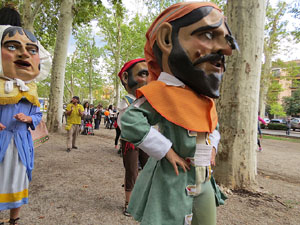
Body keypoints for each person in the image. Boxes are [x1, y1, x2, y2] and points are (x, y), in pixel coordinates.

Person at [120, 2, 238, 224]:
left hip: (204, 179)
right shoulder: (159, 93)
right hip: (171, 180)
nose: (227, 50)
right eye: (209, 34)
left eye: (226, 39)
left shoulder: (204, 98)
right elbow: (129, 119)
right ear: (167, 40)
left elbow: (213, 126)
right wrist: (166, 151)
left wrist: (212, 146)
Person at [0, 25, 51, 225]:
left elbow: (37, 114)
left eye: (31, 50)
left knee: (18, 177)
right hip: (2, 140)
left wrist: (29, 119)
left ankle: (14, 219)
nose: (23, 54)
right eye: (12, 47)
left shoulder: (31, 90)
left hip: (21, 142)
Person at [117, 58, 150, 216]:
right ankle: (129, 203)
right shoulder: (126, 102)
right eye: (143, 74)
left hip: (148, 140)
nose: (148, 79)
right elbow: (122, 123)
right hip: (130, 141)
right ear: (125, 78)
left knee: (150, 169)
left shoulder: (149, 101)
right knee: (131, 172)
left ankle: (146, 200)